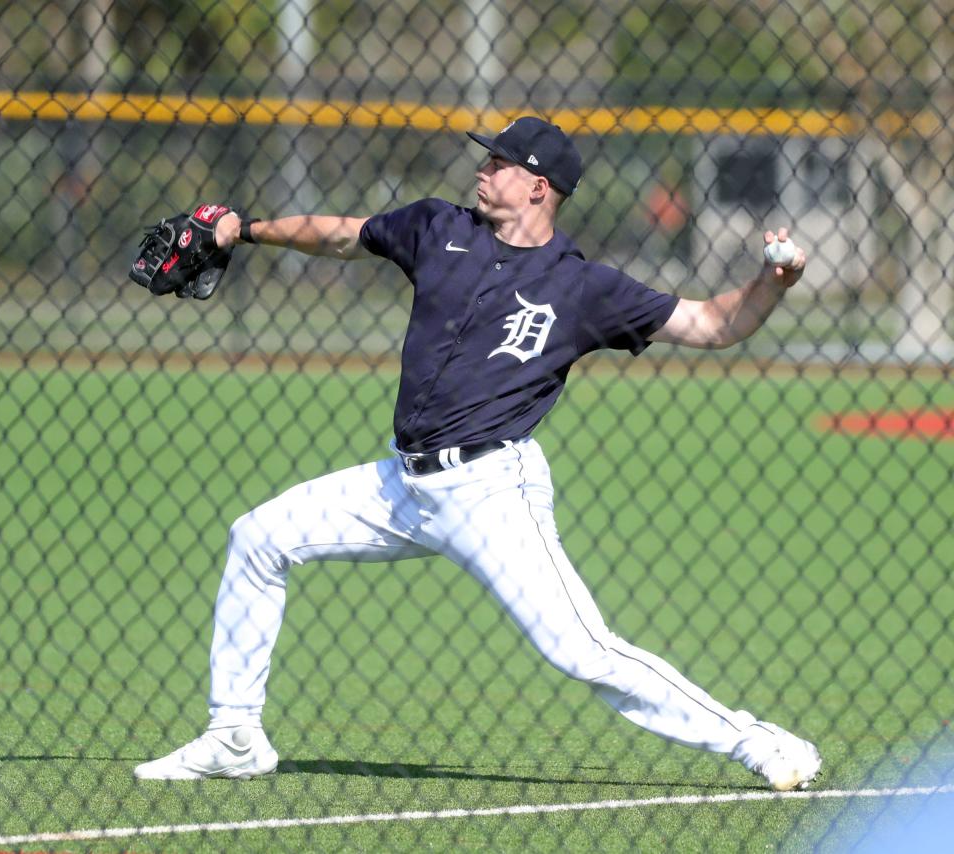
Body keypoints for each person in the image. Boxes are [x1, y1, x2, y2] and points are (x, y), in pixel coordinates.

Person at [134, 117, 821, 790]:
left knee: (581, 649)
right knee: (258, 537)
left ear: (538, 187)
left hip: (493, 491)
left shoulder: (581, 287)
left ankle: (756, 741)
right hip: (402, 484)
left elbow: (711, 324)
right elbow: (346, 236)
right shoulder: (439, 227)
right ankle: (234, 735)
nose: (482, 170)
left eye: (499, 163)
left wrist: (773, 282)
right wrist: (244, 229)